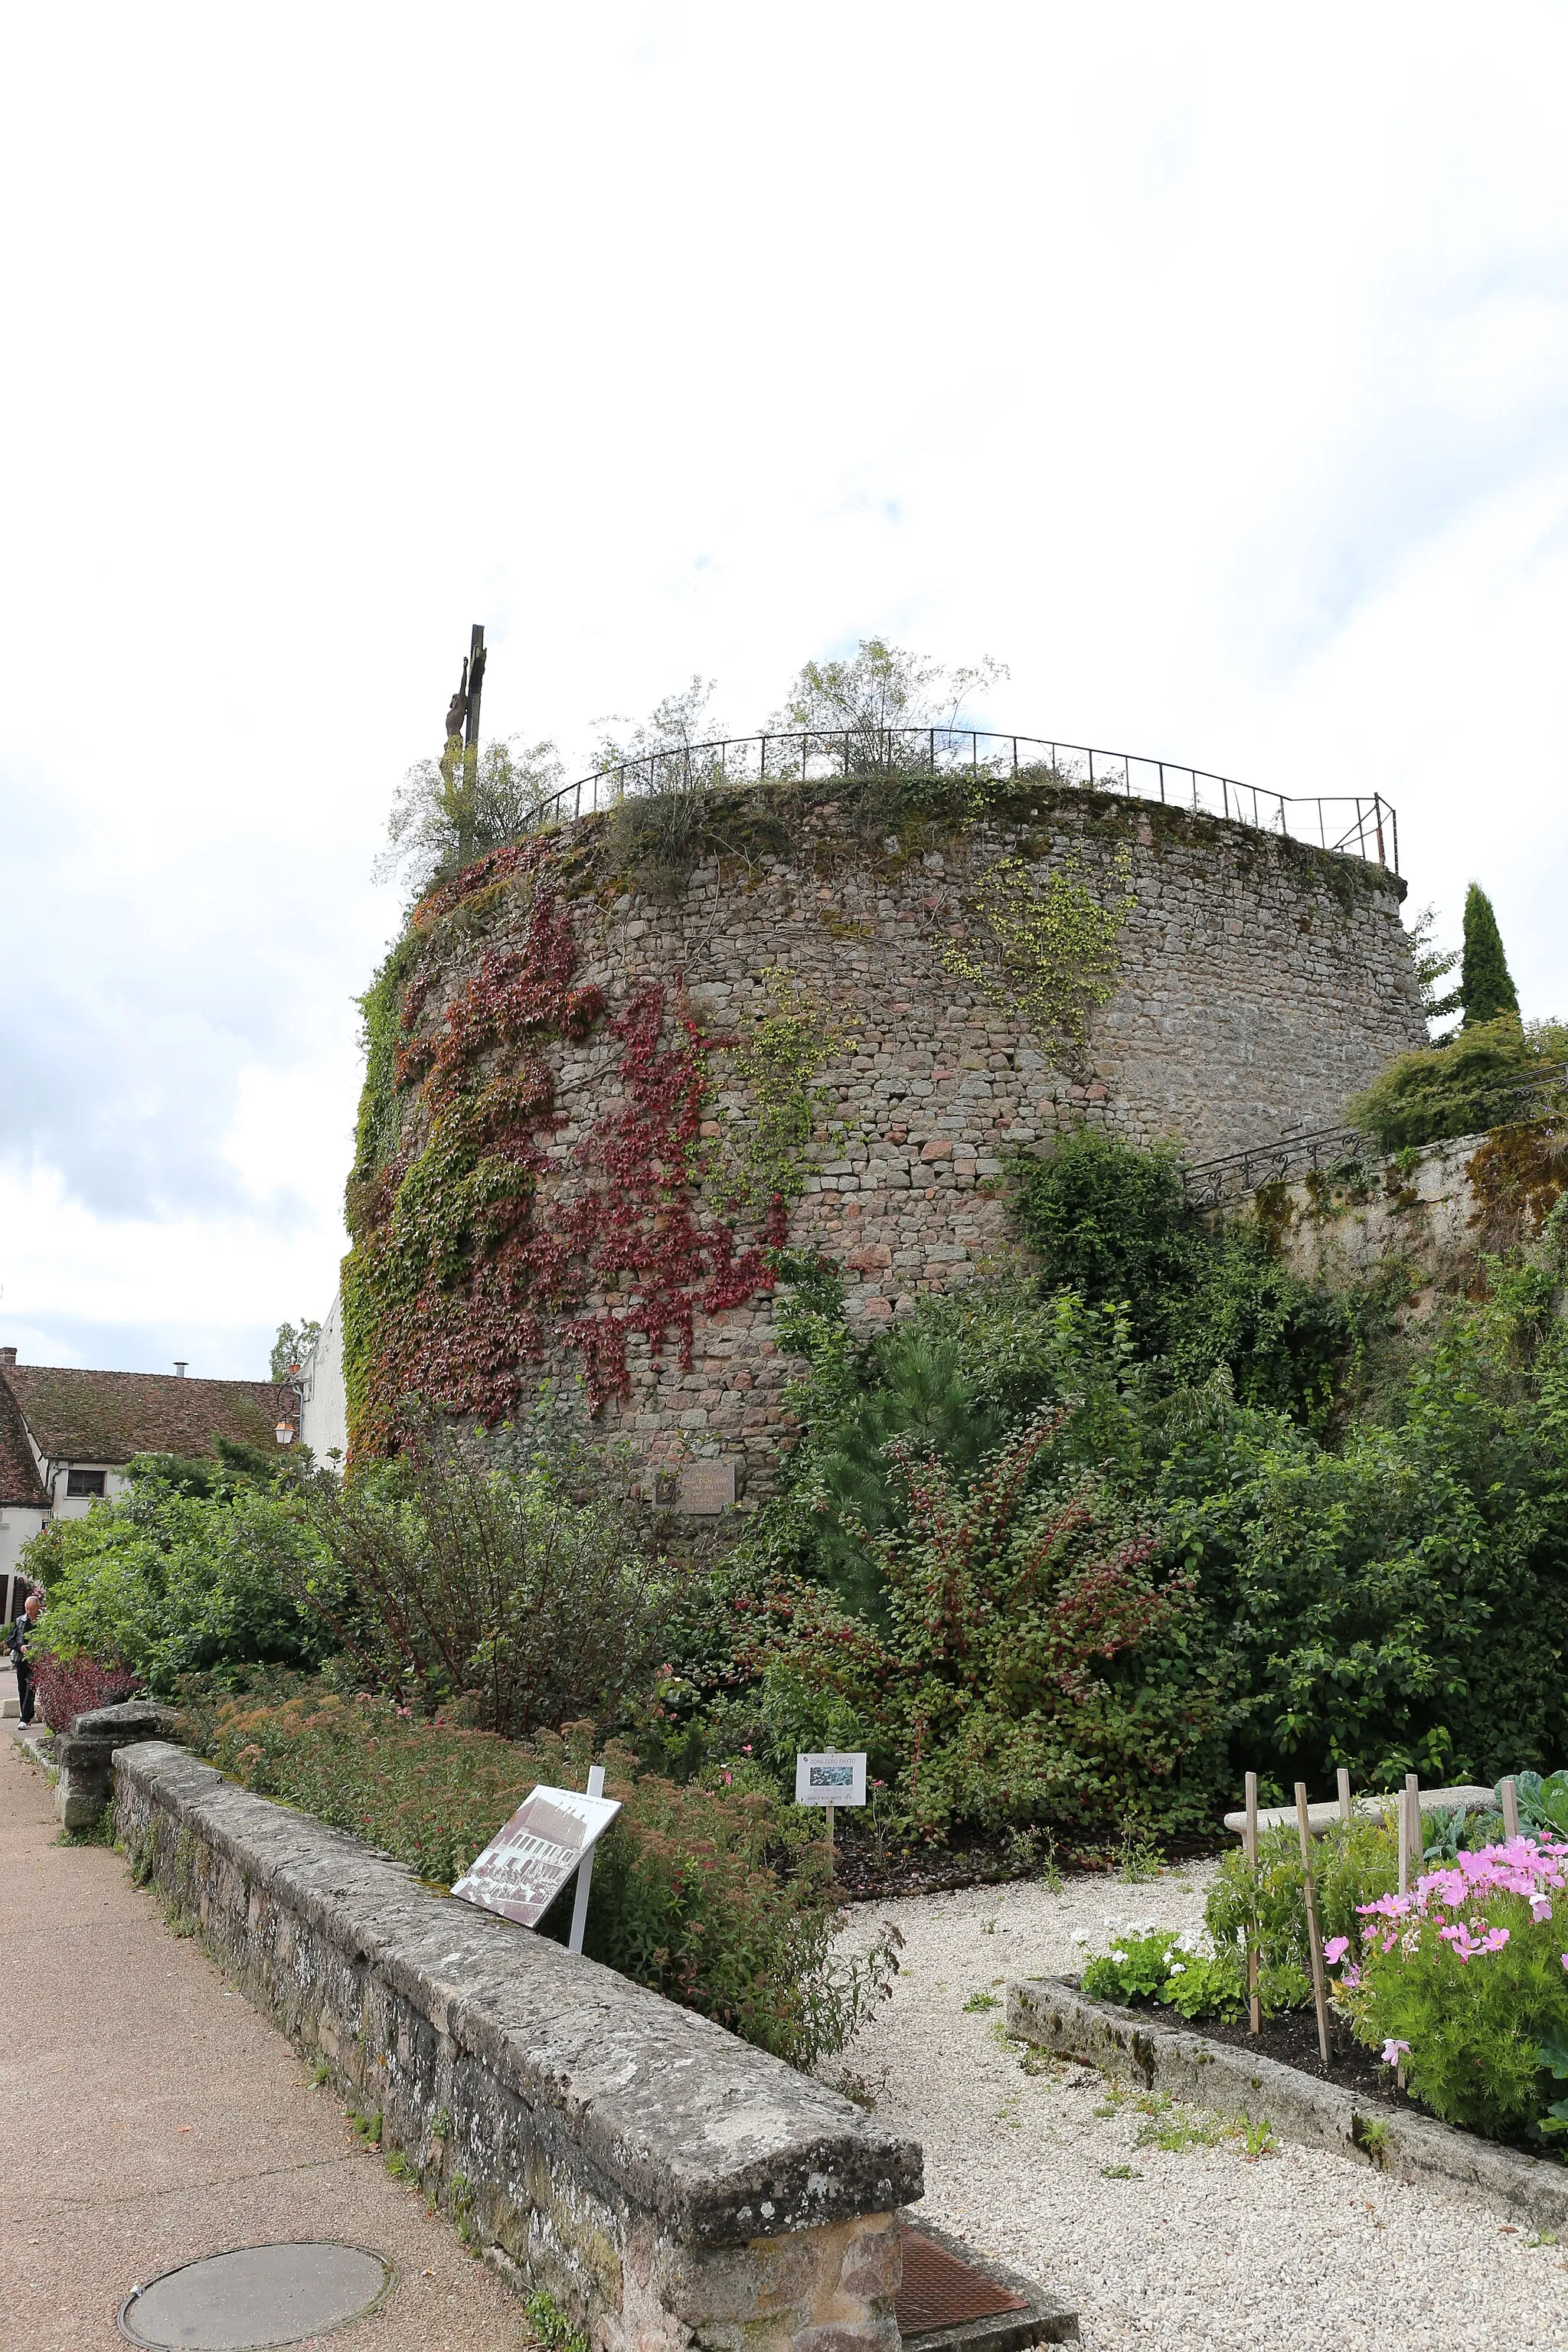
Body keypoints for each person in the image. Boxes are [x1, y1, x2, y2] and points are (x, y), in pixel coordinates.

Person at [8, 1588, 41, 1725]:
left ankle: (24, 1719)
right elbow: (10, 1640)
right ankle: (28, 1715)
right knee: (22, 1688)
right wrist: (20, 1647)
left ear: (38, 1607)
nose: (28, 1612)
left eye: (31, 1609)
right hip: (21, 1659)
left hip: (37, 1660)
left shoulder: (45, 1621)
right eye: (26, 1609)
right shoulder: (19, 1621)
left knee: (31, 1686)